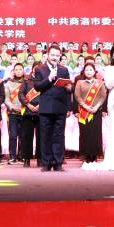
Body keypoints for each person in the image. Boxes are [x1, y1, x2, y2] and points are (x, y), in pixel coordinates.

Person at [31, 44, 72, 172]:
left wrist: (69, 90)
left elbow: (68, 89)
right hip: (46, 108)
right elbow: (37, 87)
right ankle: (46, 163)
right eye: (52, 55)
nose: (55, 57)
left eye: (57, 55)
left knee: (59, 136)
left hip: (60, 107)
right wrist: (49, 78)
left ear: (60, 56)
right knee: (46, 136)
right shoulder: (40, 69)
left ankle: (58, 162)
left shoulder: (64, 70)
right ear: (47, 55)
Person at [74, 62, 107, 165]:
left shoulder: (99, 82)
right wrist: (85, 106)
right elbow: (77, 96)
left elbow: (103, 96)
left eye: (90, 70)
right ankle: (86, 156)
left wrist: (97, 107)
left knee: (95, 134)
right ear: (84, 71)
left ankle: (95, 155)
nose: (88, 72)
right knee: (85, 134)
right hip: (84, 112)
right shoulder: (79, 82)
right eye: (87, 70)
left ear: (94, 72)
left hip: (96, 112)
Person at [4, 63, 29, 164]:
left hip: (24, 111)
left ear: (23, 71)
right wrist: (12, 107)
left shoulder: (27, 83)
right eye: (16, 70)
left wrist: (25, 106)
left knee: (23, 135)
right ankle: (12, 156)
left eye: (20, 69)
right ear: (13, 71)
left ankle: (22, 156)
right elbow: (6, 99)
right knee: (13, 135)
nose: (18, 71)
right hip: (12, 112)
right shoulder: (8, 84)